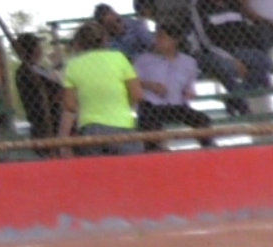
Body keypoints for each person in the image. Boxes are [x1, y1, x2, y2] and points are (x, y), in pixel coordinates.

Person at [190, 0, 273, 113]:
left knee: (265, 62)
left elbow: (244, 28)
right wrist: (231, 59)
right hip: (212, 53)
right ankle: (243, 106)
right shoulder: (198, 5)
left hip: (239, 49)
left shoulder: (232, 2)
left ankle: (233, 98)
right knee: (226, 67)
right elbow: (204, 41)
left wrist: (249, 50)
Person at [57, 22, 143, 156]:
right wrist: (124, 105)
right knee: (130, 170)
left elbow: (69, 104)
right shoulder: (118, 58)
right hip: (122, 124)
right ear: (105, 39)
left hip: (89, 127)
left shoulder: (72, 65)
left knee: (96, 171)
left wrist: (86, 107)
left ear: (79, 42)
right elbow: (137, 94)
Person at [130, 25, 214, 149]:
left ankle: (209, 150)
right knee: (149, 124)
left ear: (175, 40)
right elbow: (133, 82)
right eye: (156, 36)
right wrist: (150, 85)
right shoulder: (143, 60)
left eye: (162, 37)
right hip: (152, 106)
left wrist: (189, 92)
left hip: (176, 105)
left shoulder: (189, 62)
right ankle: (156, 153)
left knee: (202, 119)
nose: (156, 40)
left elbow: (189, 86)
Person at [12, 32, 64, 149]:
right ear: (33, 49)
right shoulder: (26, 71)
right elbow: (57, 89)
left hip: (51, 119)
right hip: (45, 121)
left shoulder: (37, 69)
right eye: (38, 46)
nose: (41, 49)